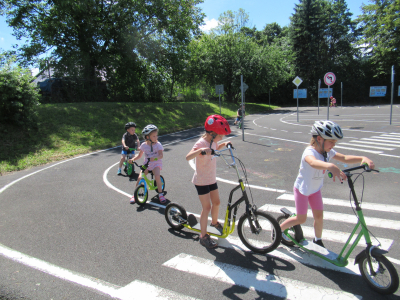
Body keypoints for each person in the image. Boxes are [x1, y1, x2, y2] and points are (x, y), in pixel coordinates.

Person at [279, 120, 374, 248]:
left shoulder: (327, 152)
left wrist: (363, 158)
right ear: (319, 138)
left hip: (315, 190)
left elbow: (344, 158)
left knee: (319, 217)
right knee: (301, 219)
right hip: (303, 190)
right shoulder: (309, 152)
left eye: (335, 142)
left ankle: (317, 240)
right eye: (331, 141)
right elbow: (312, 163)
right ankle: (278, 230)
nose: (333, 145)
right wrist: (330, 166)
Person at [186, 115, 232, 248]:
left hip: (211, 179)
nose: (221, 139)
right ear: (211, 134)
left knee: (216, 202)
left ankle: (214, 222)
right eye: (220, 136)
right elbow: (188, 156)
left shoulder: (213, 141)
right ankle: (203, 236)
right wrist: (200, 151)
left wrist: (225, 144)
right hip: (201, 181)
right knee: (206, 207)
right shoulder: (201, 143)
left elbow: (216, 148)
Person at [128, 124, 165, 204]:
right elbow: (139, 155)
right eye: (154, 136)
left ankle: (160, 194)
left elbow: (161, 155)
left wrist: (155, 158)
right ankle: (135, 195)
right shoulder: (144, 145)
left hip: (156, 163)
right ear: (147, 137)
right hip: (147, 164)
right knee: (140, 177)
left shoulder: (158, 145)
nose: (156, 138)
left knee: (157, 176)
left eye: (156, 136)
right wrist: (133, 159)